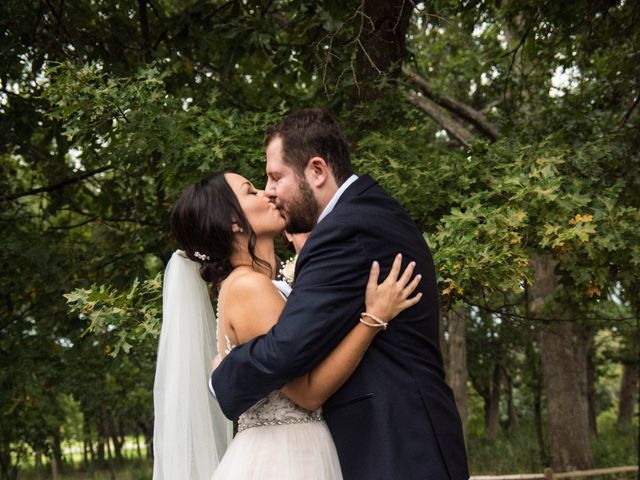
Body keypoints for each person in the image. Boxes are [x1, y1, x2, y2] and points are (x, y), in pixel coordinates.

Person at [211, 109, 470, 479]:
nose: (268, 191)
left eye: (274, 177)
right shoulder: (364, 213)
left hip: (397, 445)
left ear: (317, 171)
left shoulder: (344, 230)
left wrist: (222, 375)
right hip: (392, 439)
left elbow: (287, 348)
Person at [153, 171, 422, 480]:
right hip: (284, 457)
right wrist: (373, 319)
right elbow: (307, 394)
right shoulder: (248, 288)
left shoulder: (266, 284)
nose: (267, 194)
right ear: (234, 222)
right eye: (250, 192)